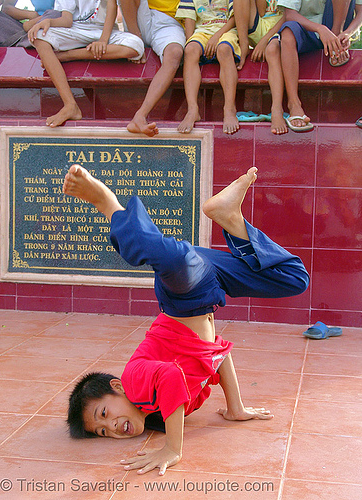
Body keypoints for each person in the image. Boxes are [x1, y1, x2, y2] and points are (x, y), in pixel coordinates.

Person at [63, 164, 309, 475]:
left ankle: (105, 202)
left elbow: (169, 378)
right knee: (293, 278)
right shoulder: (170, 409)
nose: (111, 427)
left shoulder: (135, 381)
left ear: (117, 388)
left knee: (164, 255)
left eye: (102, 413)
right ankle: (230, 218)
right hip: (208, 286)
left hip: (185, 297)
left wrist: (172, 449)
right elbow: (218, 355)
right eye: (102, 431)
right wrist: (236, 408)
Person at [27, 0, 144, 128]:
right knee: (39, 36)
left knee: (135, 45)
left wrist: (103, 41)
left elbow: (112, 6)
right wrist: (49, 22)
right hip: (77, 30)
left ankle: (65, 56)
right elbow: (67, 20)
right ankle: (70, 105)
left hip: (104, 31)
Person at [268, 0, 362, 132]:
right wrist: (320, 28)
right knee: (288, 31)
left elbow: (361, 11)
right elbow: (290, 15)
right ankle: (294, 104)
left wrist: (348, 33)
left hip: (337, 28)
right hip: (307, 28)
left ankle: (336, 45)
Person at [120, 0, 186, 136]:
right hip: (139, 15)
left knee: (175, 53)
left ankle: (140, 116)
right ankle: (134, 39)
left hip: (170, 21)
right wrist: (136, 41)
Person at [175, 0, 241, 135]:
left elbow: (236, 18)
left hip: (226, 31)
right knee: (190, 50)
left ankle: (229, 109)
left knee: (224, 49)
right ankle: (192, 109)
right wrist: (190, 43)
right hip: (202, 32)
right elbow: (189, 19)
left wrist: (216, 37)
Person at [234, 0, 287, 134]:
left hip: (282, 27)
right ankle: (244, 42)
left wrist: (265, 41)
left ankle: (276, 109)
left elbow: (290, 15)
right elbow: (262, 11)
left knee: (272, 50)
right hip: (260, 24)